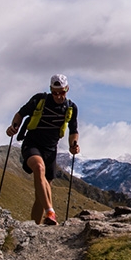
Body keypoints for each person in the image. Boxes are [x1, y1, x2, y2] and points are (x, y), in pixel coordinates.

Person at [6, 74, 79, 225]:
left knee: (42, 194)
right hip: (32, 144)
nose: (58, 96)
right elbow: (20, 114)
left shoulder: (71, 108)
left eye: (62, 92)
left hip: (51, 150)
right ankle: (50, 212)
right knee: (39, 168)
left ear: (67, 89)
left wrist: (74, 145)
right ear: (50, 90)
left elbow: (73, 131)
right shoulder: (39, 100)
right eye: (55, 92)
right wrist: (14, 127)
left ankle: (36, 228)